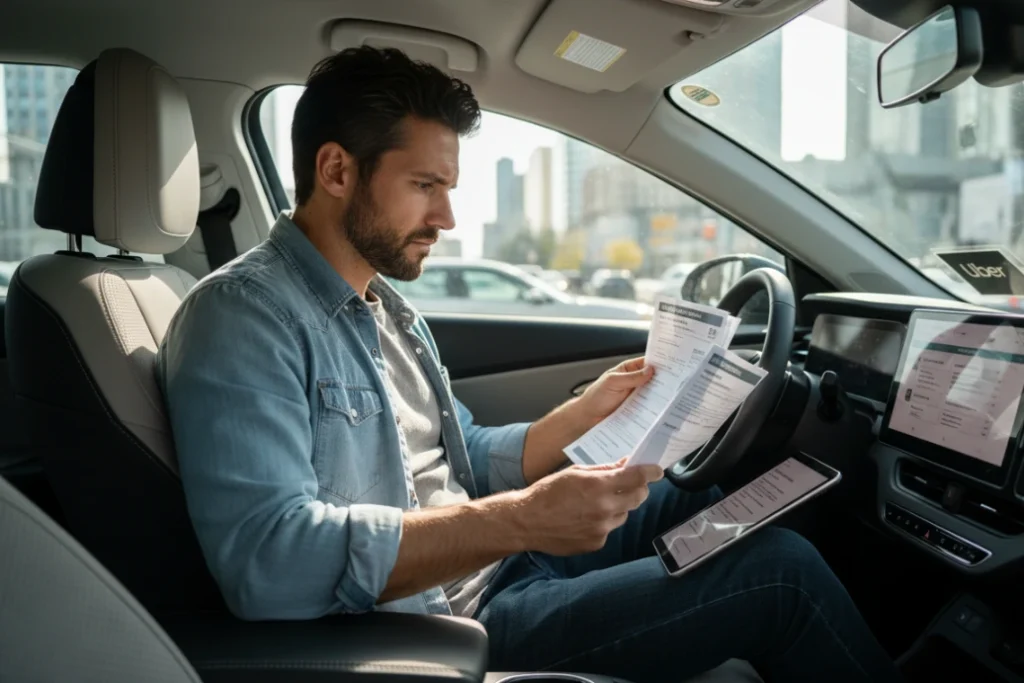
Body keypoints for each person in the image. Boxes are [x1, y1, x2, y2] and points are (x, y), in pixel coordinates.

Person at [158, 46, 904, 683]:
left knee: (727, 492)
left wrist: (579, 418)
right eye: (426, 186)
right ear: (336, 171)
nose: (447, 218)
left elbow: (460, 461)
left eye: (448, 188)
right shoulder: (242, 316)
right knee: (779, 573)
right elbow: (269, 561)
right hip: (449, 621)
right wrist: (522, 520)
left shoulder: (385, 307)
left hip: (499, 564)